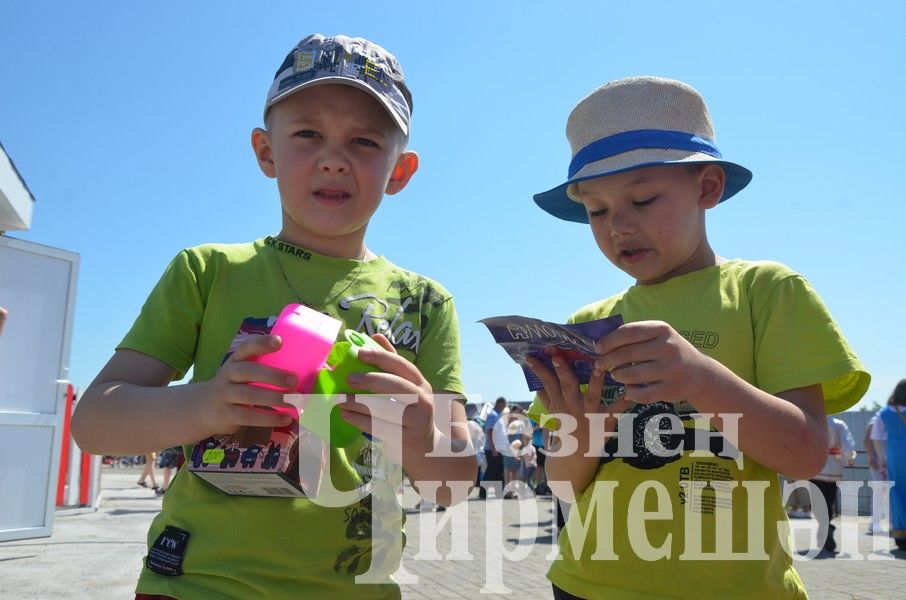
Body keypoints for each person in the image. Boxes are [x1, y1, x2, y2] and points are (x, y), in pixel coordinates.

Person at [70, 33, 472, 600]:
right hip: (195, 582)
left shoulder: (426, 303)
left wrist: (418, 432)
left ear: (399, 171)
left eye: (363, 141)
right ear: (265, 152)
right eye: (308, 134)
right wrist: (206, 403)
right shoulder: (208, 272)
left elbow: (454, 485)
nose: (333, 157)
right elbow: (93, 422)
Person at [526, 77, 869, 599]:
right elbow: (565, 484)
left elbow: (805, 455)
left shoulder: (766, 291)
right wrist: (578, 432)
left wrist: (699, 376)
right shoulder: (589, 321)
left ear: (707, 188)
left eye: (642, 199)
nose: (618, 226)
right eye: (596, 210)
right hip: (587, 584)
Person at [810, 416, 856, 554]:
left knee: (816, 502)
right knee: (828, 502)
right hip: (833, 468)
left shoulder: (812, 420)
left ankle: (824, 528)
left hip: (815, 465)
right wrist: (849, 458)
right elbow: (848, 445)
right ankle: (826, 528)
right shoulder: (839, 424)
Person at [873, 379, 906, 550]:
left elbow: (876, 437)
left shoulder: (884, 413)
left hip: (895, 454)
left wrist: (881, 459)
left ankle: (901, 535)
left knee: (897, 492)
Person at [864, 409, 889, 535]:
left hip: (890, 461)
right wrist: (872, 457)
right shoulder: (879, 417)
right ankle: (874, 524)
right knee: (880, 493)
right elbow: (867, 439)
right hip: (880, 463)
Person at [481, 396, 508, 499]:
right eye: (504, 406)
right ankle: (483, 493)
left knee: (498, 471)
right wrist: (493, 448)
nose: (504, 408)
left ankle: (499, 493)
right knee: (491, 471)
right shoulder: (493, 415)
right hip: (492, 449)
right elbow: (490, 431)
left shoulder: (498, 415)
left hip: (498, 449)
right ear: (500, 404)